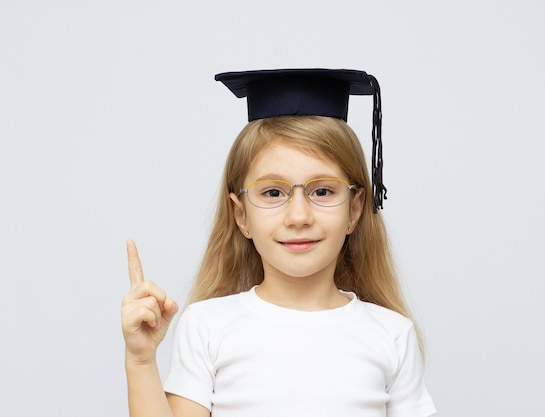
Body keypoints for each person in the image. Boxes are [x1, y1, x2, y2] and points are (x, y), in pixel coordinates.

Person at [121, 69, 436, 417]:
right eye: (273, 192)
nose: (298, 216)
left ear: (355, 209)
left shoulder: (391, 335)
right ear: (241, 215)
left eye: (322, 191)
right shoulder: (207, 326)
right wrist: (140, 360)